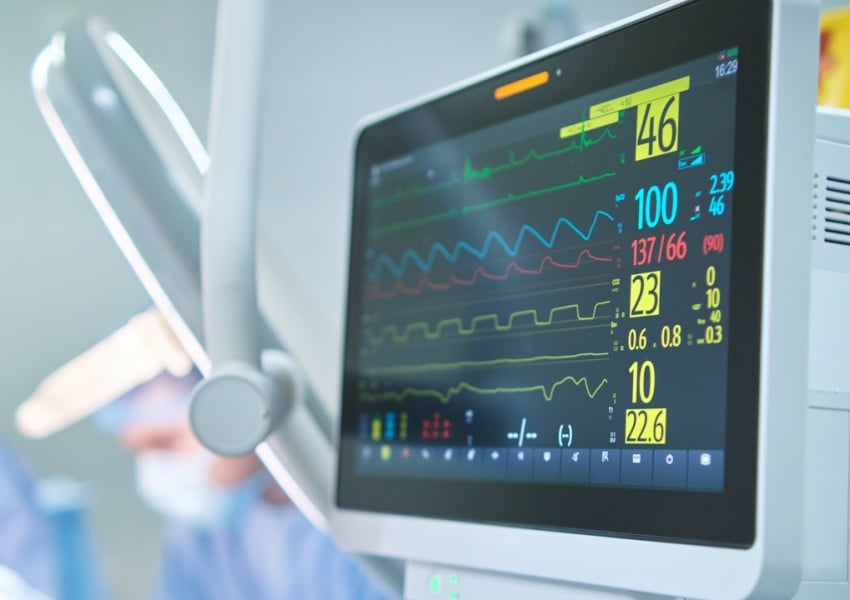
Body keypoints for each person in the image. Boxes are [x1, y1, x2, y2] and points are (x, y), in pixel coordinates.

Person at [94, 370, 388, 600]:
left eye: (164, 443)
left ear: (243, 406)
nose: (155, 468)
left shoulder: (368, 519)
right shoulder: (199, 538)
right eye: (138, 450)